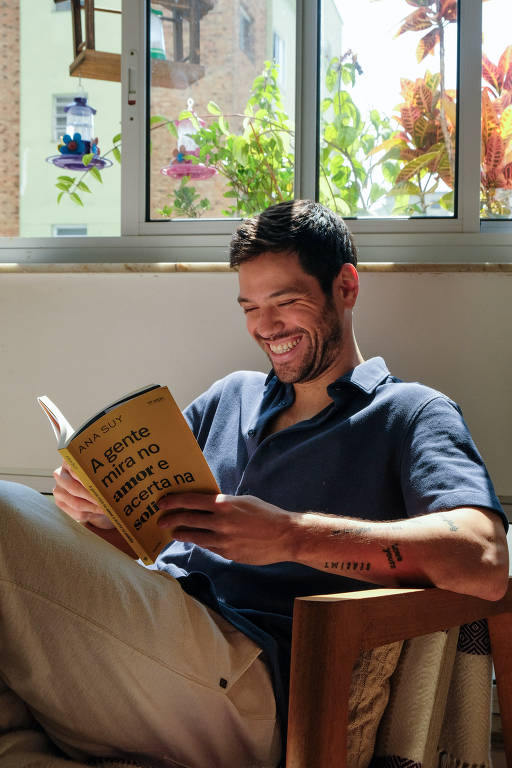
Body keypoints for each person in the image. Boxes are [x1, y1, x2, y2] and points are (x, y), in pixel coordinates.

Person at [0, 200, 508, 768]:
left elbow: (485, 560)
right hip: (153, 645)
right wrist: (91, 513)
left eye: (286, 302)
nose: (265, 327)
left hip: (248, 678)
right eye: (250, 307)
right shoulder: (228, 397)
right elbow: (139, 542)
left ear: (345, 286)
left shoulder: (409, 413)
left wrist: (291, 537)